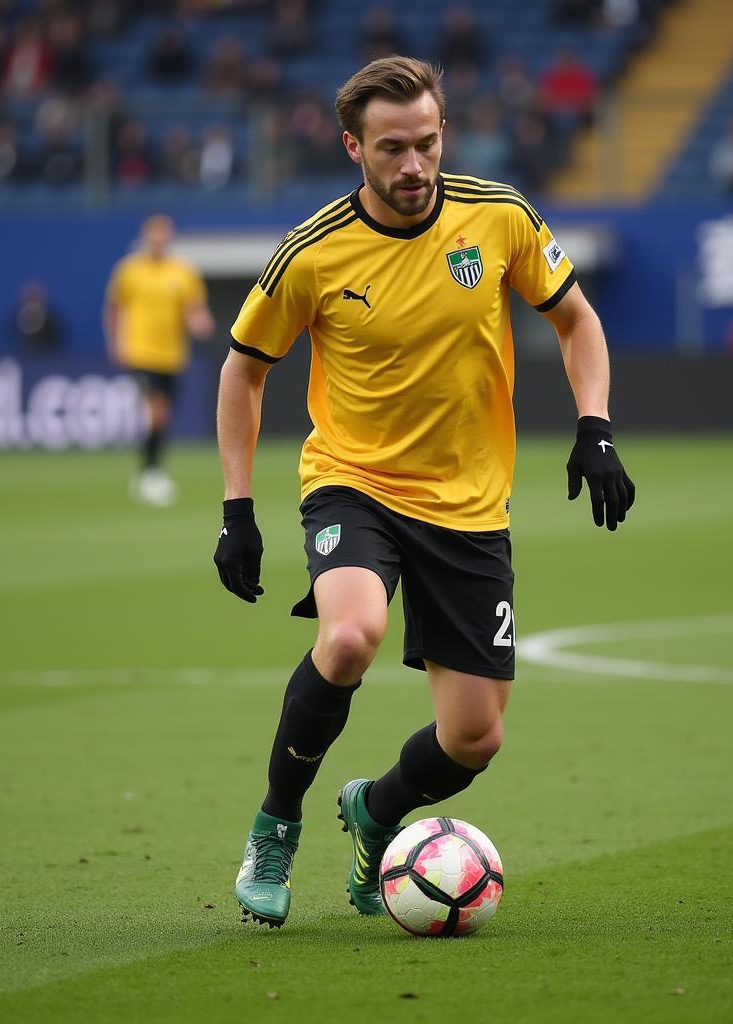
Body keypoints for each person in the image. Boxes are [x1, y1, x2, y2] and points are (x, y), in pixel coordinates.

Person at [213, 56, 635, 929]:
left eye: (428, 143)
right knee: (352, 633)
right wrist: (237, 508)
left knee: (475, 737)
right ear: (353, 148)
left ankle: (375, 811)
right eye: (393, 148)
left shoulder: (500, 216)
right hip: (353, 483)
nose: (414, 165)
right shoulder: (313, 251)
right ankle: (275, 825)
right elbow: (242, 372)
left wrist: (594, 425)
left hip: (470, 505)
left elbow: (577, 319)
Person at [104, 214, 214, 506]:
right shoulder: (129, 270)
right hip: (140, 352)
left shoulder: (182, 272)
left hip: (173, 355)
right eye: (154, 236)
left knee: (164, 415)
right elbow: (114, 307)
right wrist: (115, 342)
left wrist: (200, 323)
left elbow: (194, 308)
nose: (158, 241)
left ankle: (150, 472)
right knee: (157, 411)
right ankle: (150, 474)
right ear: (145, 238)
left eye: (163, 236)